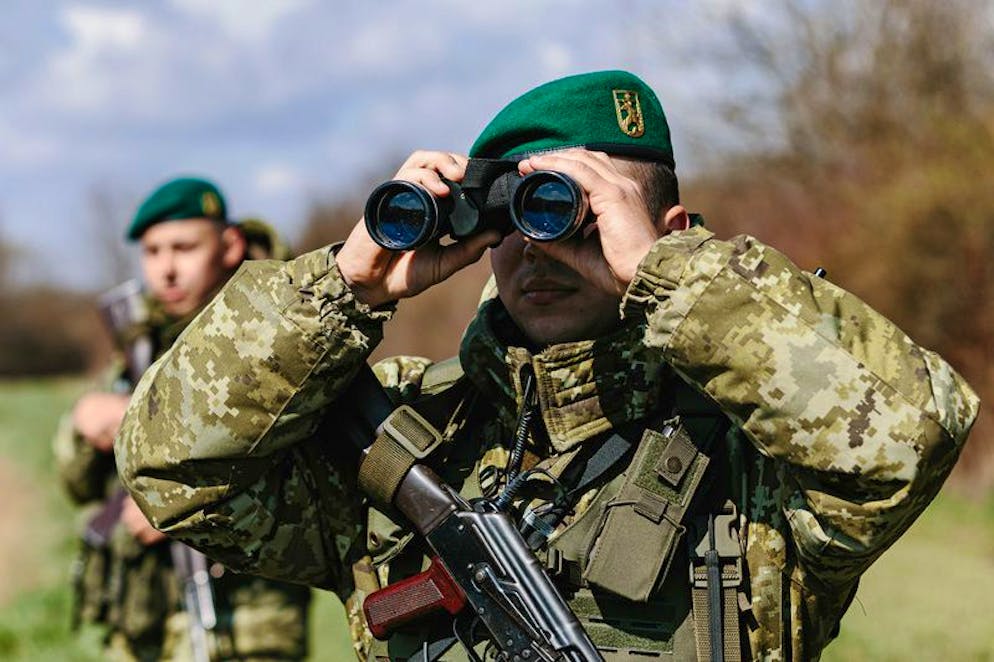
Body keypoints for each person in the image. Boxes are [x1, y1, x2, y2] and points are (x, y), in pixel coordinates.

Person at [116, 72, 979, 660]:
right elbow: (169, 465)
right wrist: (344, 288)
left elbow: (909, 435)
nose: (539, 248)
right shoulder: (405, 435)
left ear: (669, 233)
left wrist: (664, 278)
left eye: (571, 212)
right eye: (514, 218)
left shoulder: (759, 457)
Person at [54, 176, 310, 661]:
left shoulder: (277, 332)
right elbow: (78, 487)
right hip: (141, 616)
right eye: (152, 252)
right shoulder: (141, 343)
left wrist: (177, 508)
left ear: (230, 245)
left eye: (184, 247)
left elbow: (306, 475)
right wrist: (84, 428)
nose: (166, 269)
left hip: (245, 624)